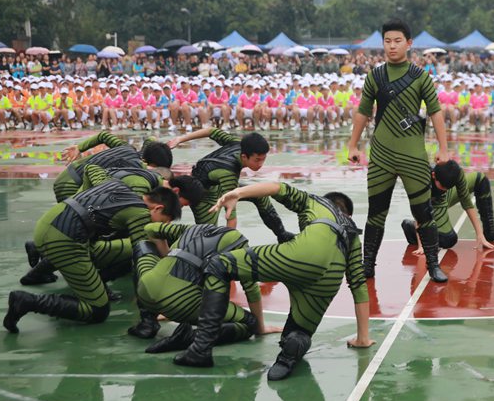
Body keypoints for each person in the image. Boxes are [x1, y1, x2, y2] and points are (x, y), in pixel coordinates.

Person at [173, 182, 374, 379]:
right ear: (348, 215)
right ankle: (288, 355)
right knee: (299, 333)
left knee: (218, 266)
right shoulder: (352, 234)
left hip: (303, 254)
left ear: (328, 201)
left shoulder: (316, 202)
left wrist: (238, 193)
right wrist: (363, 338)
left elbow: (277, 187)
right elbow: (358, 285)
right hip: (328, 280)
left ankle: (200, 349)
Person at [3, 172, 182, 333]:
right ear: (158, 208)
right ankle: (28, 302)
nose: (161, 227)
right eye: (163, 222)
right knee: (97, 309)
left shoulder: (117, 185)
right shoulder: (140, 213)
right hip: (64, 239)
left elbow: (91, 169)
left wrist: (82, 203)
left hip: (50, 222)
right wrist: (148, 316)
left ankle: (39, 274)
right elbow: (141, 259)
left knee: (101, 253)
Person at [347, 19, 451, 282]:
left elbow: (436, 112)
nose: (392, 46)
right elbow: (363, 112)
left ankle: (433, 265)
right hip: (381, 155)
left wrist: (444, 148)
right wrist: (352, 144)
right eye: (387, 41)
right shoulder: (375, 76)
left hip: (413, 157)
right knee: (376, 213)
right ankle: (368, 265)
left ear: (409, 43)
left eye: (397, 41)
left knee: (423, 213)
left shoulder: (421, 77)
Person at [135, 221, 281, 354]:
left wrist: (167, 254)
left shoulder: (191, 229)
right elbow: (251, 289)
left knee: (143, 245)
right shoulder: (240, 242)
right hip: (180, 302)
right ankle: (189, 338)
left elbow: (150, 228)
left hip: (144, 291)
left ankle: (148, 322)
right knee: (250, 323)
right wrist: (260, 328)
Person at [168, 128, 294, 240]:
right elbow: (231, 216)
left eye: (263, 159)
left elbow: (211, 131)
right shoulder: (229, 173)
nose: (260, 164)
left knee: (259, 195)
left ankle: (282, 234)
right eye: (257, 160)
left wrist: (180, 139)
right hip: (203, 195)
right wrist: (231, 244)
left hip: (215, 183)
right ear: (244, 157)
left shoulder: (237, 143)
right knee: (207, 236)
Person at [400, 159, 494, 253]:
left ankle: (490, 232)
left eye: (447, 187)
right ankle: (410, 227)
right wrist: (422, 245)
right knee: (449, 240)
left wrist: (480, 234)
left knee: (480, 179)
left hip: (445, 197)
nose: (444, 189)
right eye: (442, 187)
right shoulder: (422, 179)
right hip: (432, 204)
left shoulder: (456, 174)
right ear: (433, 176)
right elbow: (418, 211)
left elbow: (466, 202)